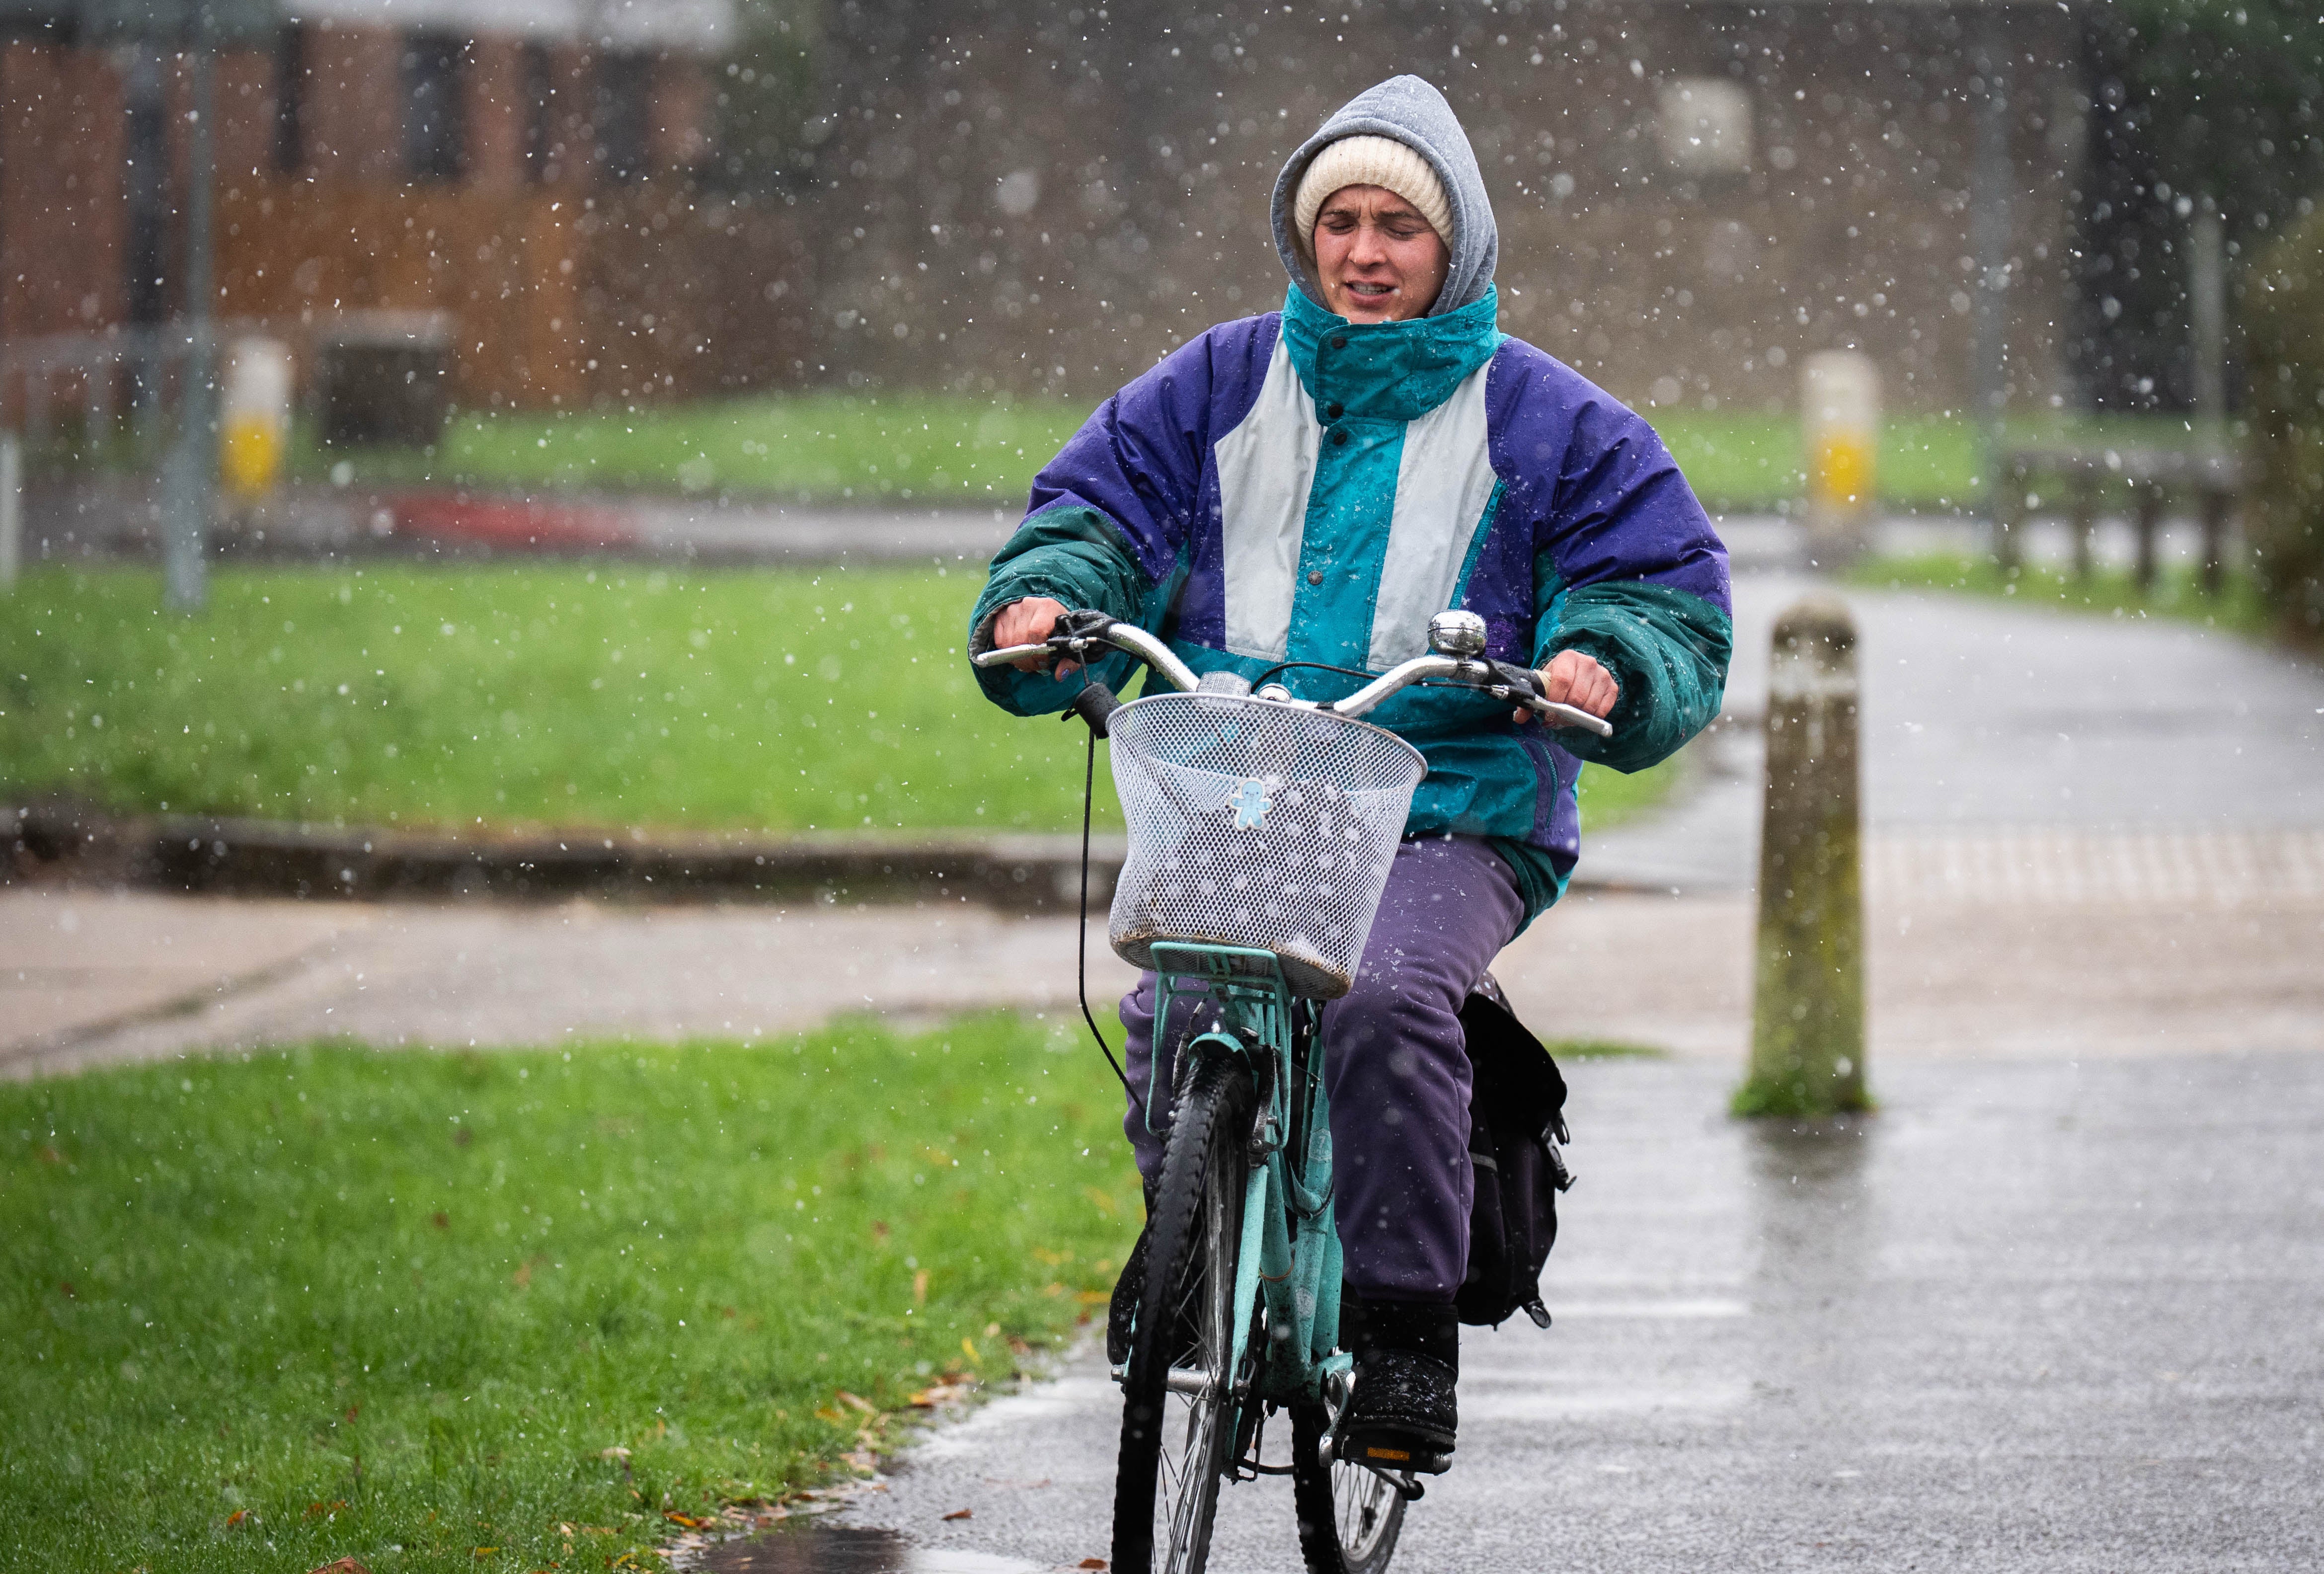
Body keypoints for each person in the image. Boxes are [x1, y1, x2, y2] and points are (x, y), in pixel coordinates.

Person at [966, 75, 1731, 1472]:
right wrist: (1050, 607)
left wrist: (1602, 668)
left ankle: (1400, 1334)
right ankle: (1194, 1250)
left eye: (1400, 229)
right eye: (1342, 223)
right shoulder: (1211, 386)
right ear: (1304, 238)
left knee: (1380, 997)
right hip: (1243, 790)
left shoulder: (1555, 423)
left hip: (1454, 809)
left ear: (1459, 254)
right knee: (1171, 1000)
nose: (1365, 253)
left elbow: (1661, 590)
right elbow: (1092, 511)